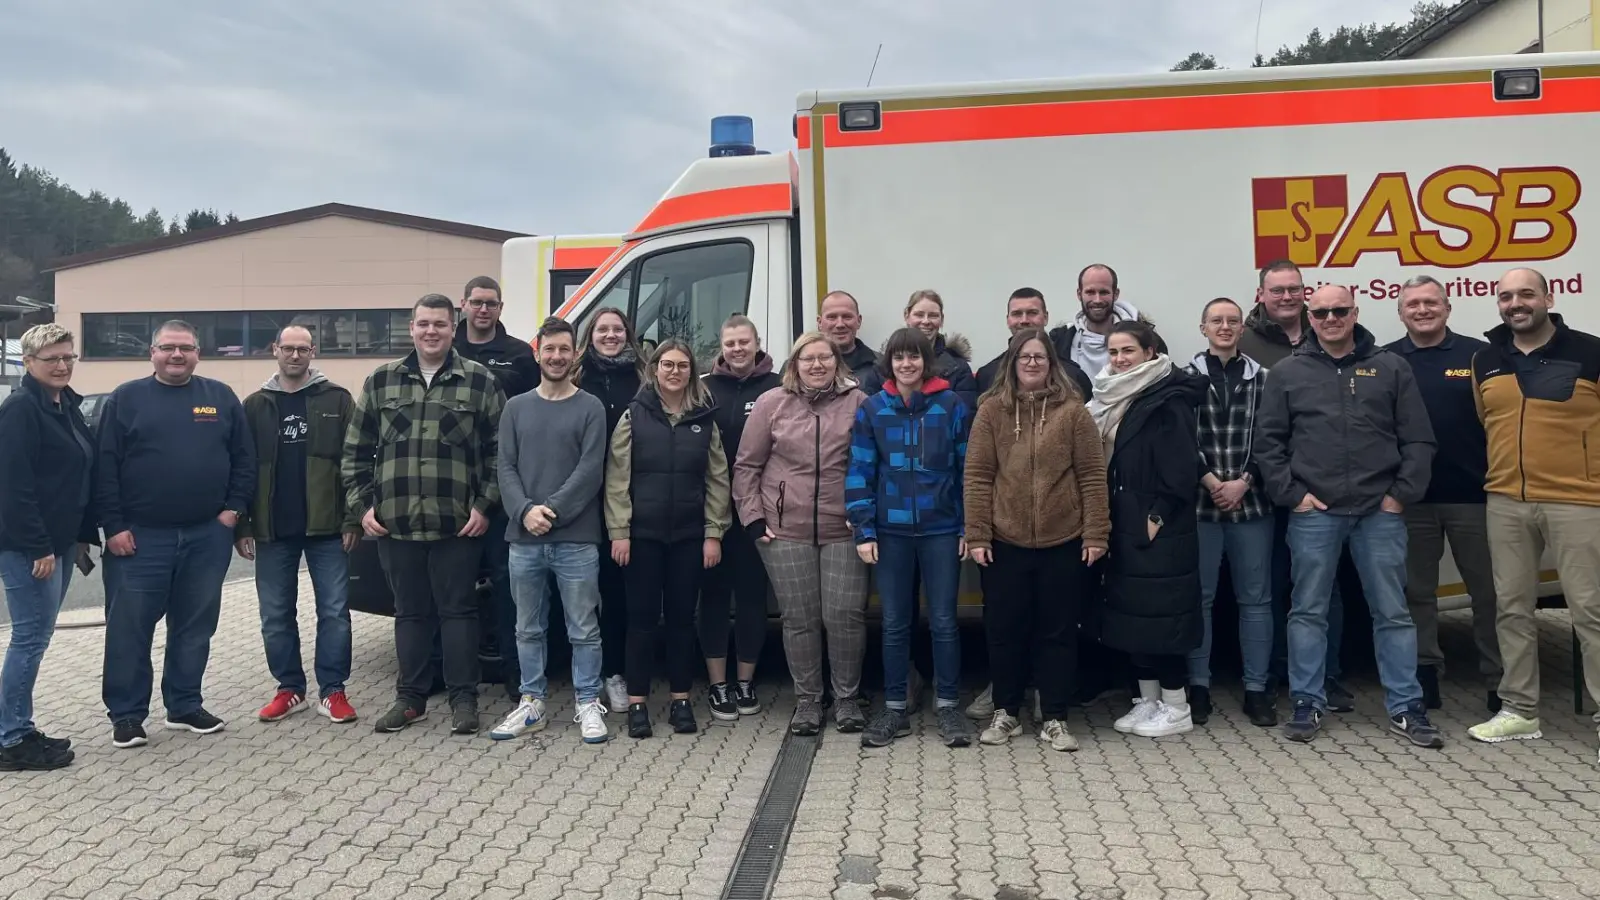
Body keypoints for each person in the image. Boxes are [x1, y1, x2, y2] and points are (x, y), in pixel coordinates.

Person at [1255, 285, 1443, 748]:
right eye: (1321, 312)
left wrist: (1400, 496)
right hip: (1315, 512)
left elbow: (1418, 439)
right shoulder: (1287, 372)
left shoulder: (1390, 367)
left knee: (1393, 612)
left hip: (1379, 511)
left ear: (1355, 312)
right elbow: (1269, 444)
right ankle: (1307, 701)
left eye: (1340, 310)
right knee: (1307, 611)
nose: (1331, 318)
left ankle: (1405, 706)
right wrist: (1292, 494)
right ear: (1310, 316)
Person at [343, 294, 505, 736]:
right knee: (409, 614)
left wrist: (484, 504)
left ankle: (464, 700)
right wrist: (363, 506)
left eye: (440, 324)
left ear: (455, 328)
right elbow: (355, 451)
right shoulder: (381, 382)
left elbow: (500, 452)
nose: (431, 331)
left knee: (459, 613)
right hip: (396, 523)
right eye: (423, 324)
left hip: (459, 524)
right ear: (410, 329)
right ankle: (410, 698)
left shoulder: (480, 381)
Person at [98, 319, 256, 749]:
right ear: (152, 352)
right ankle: (128, 715)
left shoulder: (219, 397)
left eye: (185, 348)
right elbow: (105, 468)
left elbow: (245, 459)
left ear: (197, 353)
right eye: (168, 347)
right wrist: (113, 526)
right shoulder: (126, 399)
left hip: (207, 535)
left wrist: (232, 511)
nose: (177, 355)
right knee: (129, 628)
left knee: (194, 625)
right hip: (140, 538)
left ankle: (184, 705)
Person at [1467, 267, 1600, 751]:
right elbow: (1489, 422)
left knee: (1590, 610)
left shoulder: (1590, 352)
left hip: (1578, 500)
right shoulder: (1486, 358)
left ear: (1549, 297)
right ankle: (1520, 710)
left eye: (1526, 294)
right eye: (1506, 296)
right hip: (1505, 499)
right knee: (1512, 609)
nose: (1515, 303)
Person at [965, 329, 1108, 751]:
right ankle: (1007, 712)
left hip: (1063, 540)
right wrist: (977, 533)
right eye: (1024, 357)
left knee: (1058, 632)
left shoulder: (1073, 413)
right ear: (1012, 363)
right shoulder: (990, 411)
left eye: (1040, 357)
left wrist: (1096, 532)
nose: (1032, 363)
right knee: (1005, 630)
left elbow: (1092, 476)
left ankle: (1056, 718)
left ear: (1051, 364)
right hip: (1003, 541)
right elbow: (976, 477)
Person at [734, 332, 870, 735]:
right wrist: (753, 518)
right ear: (794, 364)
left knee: (844, 616)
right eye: (808, 358)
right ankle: (808, 700)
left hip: (842, 527)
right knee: (799, 619)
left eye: (824, 358)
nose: (816, 365)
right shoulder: (771, 404)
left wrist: (864, 514)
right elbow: (746, 466)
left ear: (836, 362)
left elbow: (871, 463)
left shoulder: (858, 403)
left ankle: (846, 699)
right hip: (784, 529)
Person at [848, 327, 973, 749]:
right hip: (891, 532)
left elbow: (965, 471)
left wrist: (965, 525)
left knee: (943, 623)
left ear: (926, 361)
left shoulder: (950, 405)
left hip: (940, 530)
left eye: (914, 357)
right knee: (895, 624)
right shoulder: (873, 409)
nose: (907, 364)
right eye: (899, 357)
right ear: (889, 363)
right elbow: (860, 471)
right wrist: (864, 528)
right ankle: (896, 708)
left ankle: (949, 706)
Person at [1382, 275, 1501, 712]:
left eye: (1431, 302)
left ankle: (1499, 679)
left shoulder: (1478, 355)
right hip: (1412, 499)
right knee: (1417, 593)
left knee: (1488, 593)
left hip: (1474, 495)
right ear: (1401, 312)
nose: (1422, 310)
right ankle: (1425, 672)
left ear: (1447, 308)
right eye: (1412, 304)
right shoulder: (1387, 360)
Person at [490, 317, 610, 744]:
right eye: (550, 349)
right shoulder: (516, 407)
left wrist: (550, 511)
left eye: (565, 349)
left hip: (577, 540)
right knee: (527, 628)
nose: (557, 356)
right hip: (523, 540)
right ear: (537, 352)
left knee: (584, 628)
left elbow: (590, 471)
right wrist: (524, 512)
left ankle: (587, 703)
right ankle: (532, 703)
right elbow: (505, 466)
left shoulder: (590, 407)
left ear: (575, 353)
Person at [604, 338, 732, 738]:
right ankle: (638, 703)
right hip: (641, 537)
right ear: (654, 369)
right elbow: (616, 480)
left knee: (681, 621)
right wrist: (619, 531)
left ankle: (680, 700)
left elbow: (718, 480)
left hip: (690, 538)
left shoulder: (705, 419)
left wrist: (714, 533)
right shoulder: (633, 416)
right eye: (667, 365)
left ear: (692, 372)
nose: (674, 372)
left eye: (682, 366)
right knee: (640, 622)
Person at [1238, 260, 1352, 712]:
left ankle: (1329, 675)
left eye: (1293, 290)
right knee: (1271, 585)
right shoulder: (1244, 340)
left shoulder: (1327, 334)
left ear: (1306, 294)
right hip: (1267, 488)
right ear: (1261, 295)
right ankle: (1272, 675)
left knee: (1325, 588)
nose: (1286, 297)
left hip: (1321, 490)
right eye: (1277, 290)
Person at [235, 323, 360, 726]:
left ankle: (333, 691)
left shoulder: (337, 400)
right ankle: (290, 689)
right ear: (275, 350)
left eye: (302, 349)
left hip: (327, 530)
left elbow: (355, 462)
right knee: (275, 615)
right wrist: (242, 525)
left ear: (313, 352)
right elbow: (241, 468)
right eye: (287, 348)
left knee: (335, 612)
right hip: (272, 531)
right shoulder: (255, 405)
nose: (294, 355)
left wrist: (352, 518)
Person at [1089, 321, 1206, 739]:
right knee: (1133, 617)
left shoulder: (1166, 399)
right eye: (1114, 352)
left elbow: (1181, 469)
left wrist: (1154, 519)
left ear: (1150, 352)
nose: (1119, 360)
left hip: (1157, 528)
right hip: (1122, 523)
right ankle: (1149, 700)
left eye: (1128, 352)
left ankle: (1176, 707)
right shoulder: (1110, 396)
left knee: (1162, 619)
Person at [0, 325, 97, 770]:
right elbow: (14, 487)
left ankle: (20, 724)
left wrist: (77, 537)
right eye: (51, 359)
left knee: (36, 638)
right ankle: (11, 740)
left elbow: (72, 478)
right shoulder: (21, 410)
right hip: (28, 547)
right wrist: (38, 546)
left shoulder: (65, 406)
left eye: (68, 357)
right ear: (30, 363)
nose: (61, 366)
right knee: (29, 638)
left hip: (55, 543)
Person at [1185, 299, 1277, 728]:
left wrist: (1245, 481)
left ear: (1243, 329)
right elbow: (1180, 439)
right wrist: (1210, 481)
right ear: (1202, 327)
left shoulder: (1266, 380)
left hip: (1252, 505)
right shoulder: (1183, 379)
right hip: (1201, 507)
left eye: (1232, 321)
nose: (1224, 327)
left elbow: (1274, 438)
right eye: (1216, 321)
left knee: (1256, 601)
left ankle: (1256, 689)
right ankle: (1198, 687)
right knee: (1199, 600)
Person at [453, 275, 540, 699]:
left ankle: (514, 674)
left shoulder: (520, 355)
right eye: (476, 302)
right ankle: (450, 675)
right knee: (452, 590)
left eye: (490, 303)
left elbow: (535, 415)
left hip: (504, 487)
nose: (483, 310)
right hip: (451, 488)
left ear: (500, 308)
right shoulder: (444, 350)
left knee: (508, 588)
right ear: (463, 304)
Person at [700, 314, 782, 721]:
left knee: (752, 599)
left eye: (743, 342)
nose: (736, 349)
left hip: (758, 513)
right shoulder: (703, 389)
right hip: (713, 514)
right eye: (730, 342)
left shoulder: (777, 386)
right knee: (713, 599)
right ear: (721, 345)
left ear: (756, 343)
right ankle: (718, 686)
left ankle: (746, 682)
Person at [575, 307, 645, 714]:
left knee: (619, 593)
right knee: (582, 593)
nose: (611, 335)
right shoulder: (575, 375)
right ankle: (582, 674)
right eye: (603, 329)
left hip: (628, 499)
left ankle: (615, 673)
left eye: (618, 329)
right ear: (592, 334)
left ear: (628, 335)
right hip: (582, 499)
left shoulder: (642, 377)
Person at [860, 289, 979, 410]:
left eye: (933, 315)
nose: (926, 321)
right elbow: (870, 412)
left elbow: (965, 416)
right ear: (907, 316)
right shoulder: (881, 368)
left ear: (941, 319)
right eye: (919, 315)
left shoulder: (958, 368)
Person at [976, 288, 1093, 400]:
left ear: (1046, 317)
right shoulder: (988, 375)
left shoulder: (1073, 376)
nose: (1024, 320)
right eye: (1017, 314)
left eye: (1032, 313)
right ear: (1008, 320)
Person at [1049, 264, 1150, 377]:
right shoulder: (1060, 340)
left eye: (1104, 292)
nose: (1097, 300)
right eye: (1090, 292)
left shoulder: (1145, 338)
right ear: (1079, 294)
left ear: (1115, 294)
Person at [818, 290, 879, 385]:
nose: (840, 324)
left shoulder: (881, 366)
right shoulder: (797, 367)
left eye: (847, 317)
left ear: (859, 321)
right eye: (832, 317)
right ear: (819, 323)